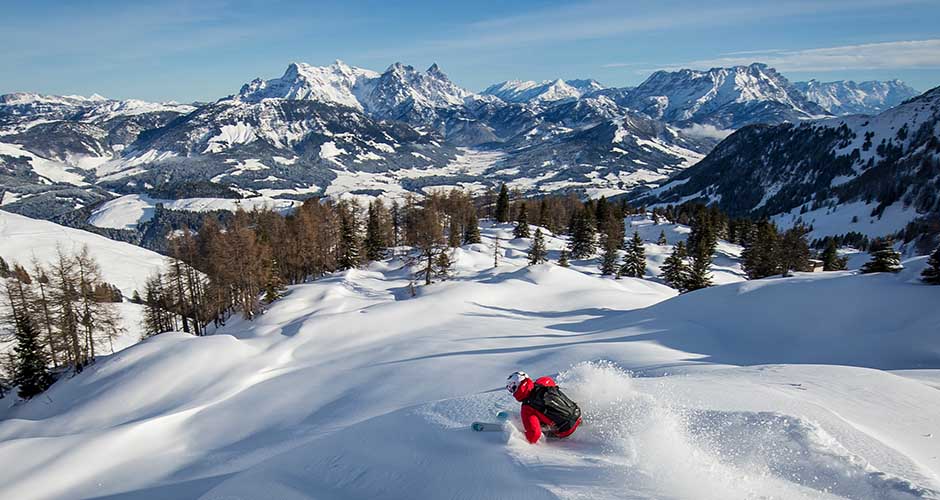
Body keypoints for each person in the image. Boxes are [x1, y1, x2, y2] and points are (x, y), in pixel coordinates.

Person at [506, 371, 582, 444]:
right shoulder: (543, 381)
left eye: (511, 389)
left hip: (566, 431)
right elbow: (551, 383)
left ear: (515, 387)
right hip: (577, 414)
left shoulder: (526, 408)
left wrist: (519, 436)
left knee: (541, 428)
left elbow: (534, 435)